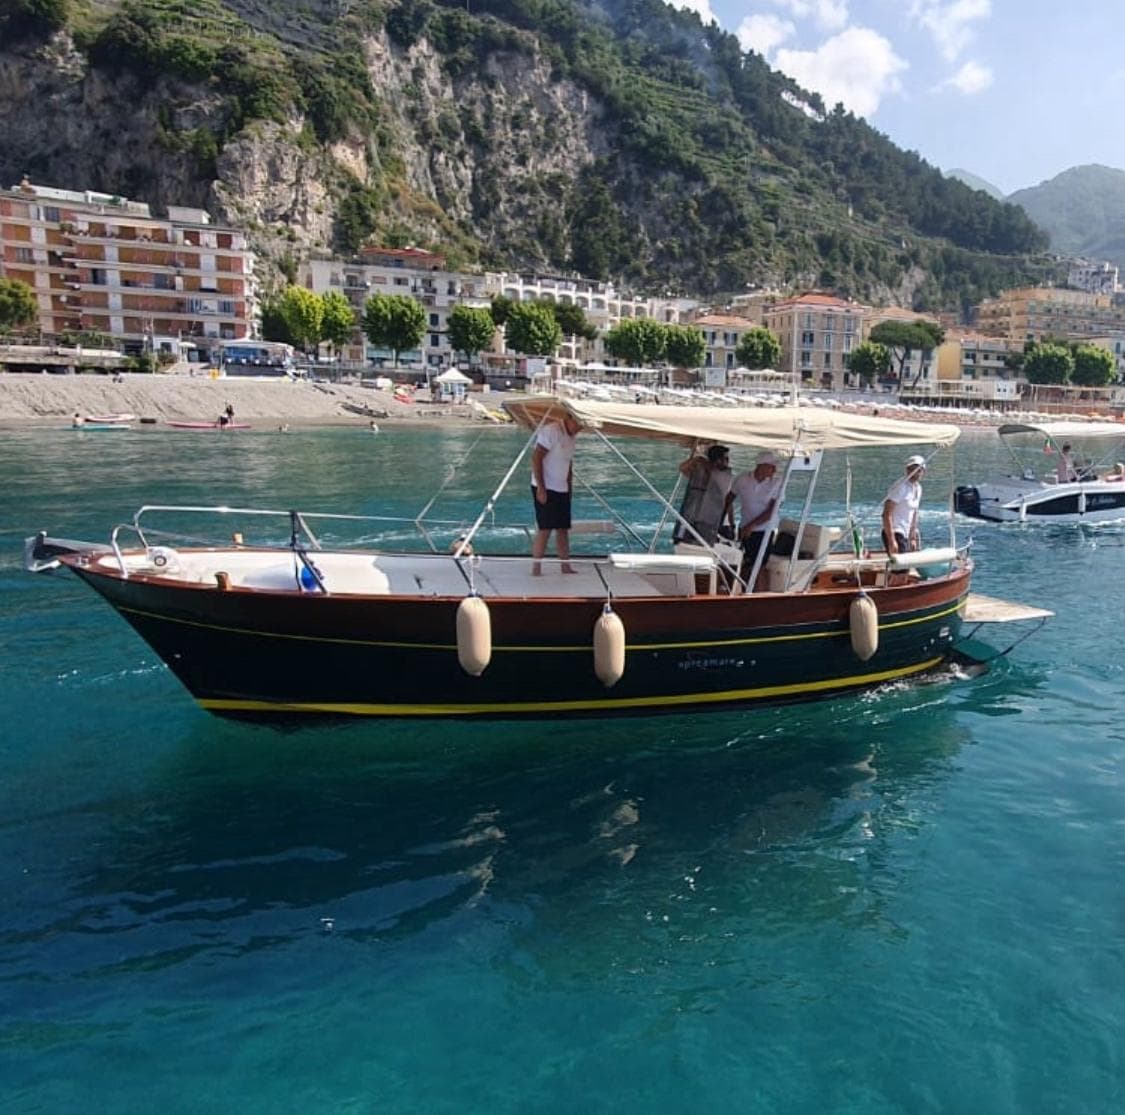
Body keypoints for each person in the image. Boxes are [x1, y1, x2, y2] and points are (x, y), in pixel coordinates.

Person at [531, 413, 581, 574]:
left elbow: (568, 464)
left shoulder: (572, 437)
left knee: (563, 528)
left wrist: (570, 488)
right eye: (579, 425)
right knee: (545, 528)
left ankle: (565, 566)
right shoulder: (551, 431)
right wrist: (541, 487)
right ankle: (536, 567)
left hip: (562, 487)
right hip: (546, 486)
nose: (580, 429)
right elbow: (537, 458)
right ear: (570, 419)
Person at [728, 450, 783, 584]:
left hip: (765, 530)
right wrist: (730, 523)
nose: (775, 469)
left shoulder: (778, 483)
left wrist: (751, 526)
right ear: (761, 466)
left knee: (760, 566)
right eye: (772, 466)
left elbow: (772, 511)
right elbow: (728, 500)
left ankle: (761, 596)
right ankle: (743, 593)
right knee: (745, 564)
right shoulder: (742, 479)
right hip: (744, 528)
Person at [673, 444, 734, 545]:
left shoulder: (724, 475)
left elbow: (727, 499)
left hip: (711, 521)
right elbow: (682, 468)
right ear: (718, 460)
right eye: (726, 458)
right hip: (696, 517)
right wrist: (697, 459)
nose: (728, 462)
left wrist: (701, 461)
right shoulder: (702, 472)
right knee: (684, 542)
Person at [882, 455, 926, 555]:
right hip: (895, 531)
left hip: (905, 532)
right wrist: (892, 540)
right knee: (901, 568)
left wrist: (913, 537)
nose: (915, 472)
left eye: (919, 470)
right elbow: (886, 513)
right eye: (912, 469)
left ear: (923, 472)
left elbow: (914, 513)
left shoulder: (918, 488)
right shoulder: (900, 486)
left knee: (903, 567)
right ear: (907, 470)